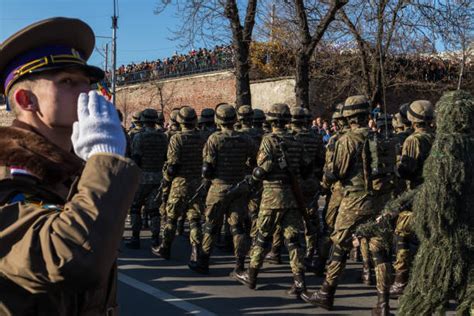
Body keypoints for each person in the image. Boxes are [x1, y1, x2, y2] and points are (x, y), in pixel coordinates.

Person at [0, 17, 140, 314]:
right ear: (26, 100)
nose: (87, 92)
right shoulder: (5, 171)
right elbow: (69, 260)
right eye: (68, 82)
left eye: (88, 82)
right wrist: (104, 162)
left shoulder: (70, 167)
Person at [233, 103, 311, 300]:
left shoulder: (269, 140)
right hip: (292, 196)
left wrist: (253, 177)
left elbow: (262, 168)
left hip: (271, 196)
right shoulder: (296, 140)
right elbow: (306, 168)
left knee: (262, 236)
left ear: (272, 121)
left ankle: (251, 275)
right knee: (293, 240)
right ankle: (299, 281)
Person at [189, 103, 257, 275]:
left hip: (219, 187)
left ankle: (203, 261)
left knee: (211, 226)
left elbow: (207, 169)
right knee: (237, 227)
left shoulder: (215, 139)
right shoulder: (245, 138)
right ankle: (240, 265)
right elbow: (256, 160)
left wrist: (209, 180)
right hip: (239, 186)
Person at [155, 106, 207, 263]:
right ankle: (196, 251)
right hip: (198, 183)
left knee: (171, 218)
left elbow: (172, 165)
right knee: (195, 219)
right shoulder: (203, 138)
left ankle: (165, 247)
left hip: (180, 183)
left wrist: (166, 181)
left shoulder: (176, 138)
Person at [126, 109, 168, 250]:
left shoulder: (139, 137)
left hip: (142, 178)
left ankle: (135, 237)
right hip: (158, 177)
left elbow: (136, 158)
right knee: (154, 210)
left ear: (143, 120)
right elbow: (165, 158)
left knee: (136, 208)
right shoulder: (163, 137)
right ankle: (155, 239)